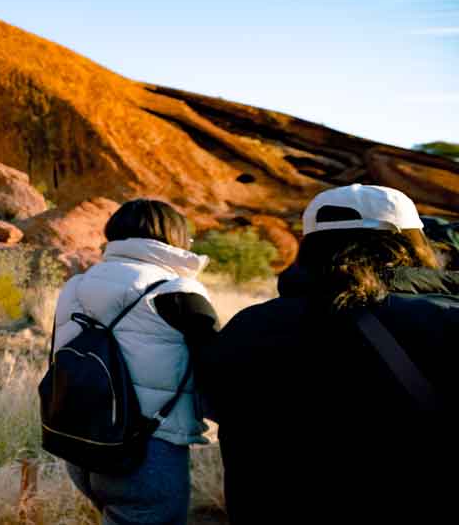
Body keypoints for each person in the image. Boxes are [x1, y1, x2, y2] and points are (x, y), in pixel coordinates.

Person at [194, 184, 458, 524]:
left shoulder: (249, 326)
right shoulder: (442, 318)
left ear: (311, 246)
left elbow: (214, 405)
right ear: (410, 242)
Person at [53, 199, 218, 525]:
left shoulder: (76, 285)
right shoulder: (178, 291)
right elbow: (219, 370)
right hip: (145, 450)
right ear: (176, 237)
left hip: (81, 445)